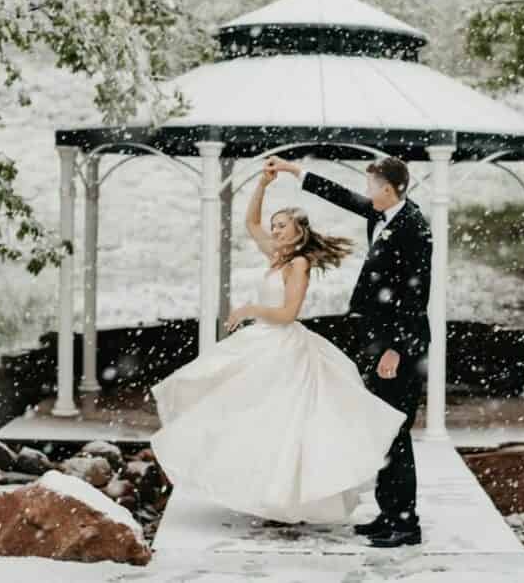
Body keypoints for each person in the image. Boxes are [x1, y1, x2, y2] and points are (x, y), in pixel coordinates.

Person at [149, 166, 406, 526]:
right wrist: (261, 185)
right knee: (240, 408)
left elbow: (288, 313)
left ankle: (290, 500)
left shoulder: (298, 263)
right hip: (261, 341)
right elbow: (251, 223)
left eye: (281, 225)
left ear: (298, 231)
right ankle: (266, 494)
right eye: (275, 227)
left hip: (284, 345)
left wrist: (251, 309)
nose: (273, 231)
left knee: (285, 423)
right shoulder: (276, 254)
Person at [266, 154, 432, 548]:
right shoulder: (385, 214)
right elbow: (344, 197)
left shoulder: (412, 227)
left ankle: (406, 524)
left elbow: (415, 294)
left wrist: (395, 350)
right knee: (382, 430)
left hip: (400, 348)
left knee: (396, 431)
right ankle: (388, 513)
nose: (366, 191)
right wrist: (295, 171)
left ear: (388, 190)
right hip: (377, 341)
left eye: (371, 185)